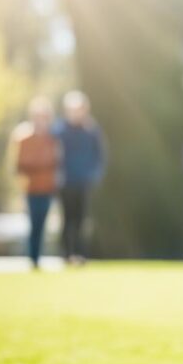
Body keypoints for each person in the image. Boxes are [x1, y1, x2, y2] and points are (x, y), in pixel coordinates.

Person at [54, 90, 106, 266]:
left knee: (81, 221)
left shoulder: (91, 130)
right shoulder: (60, 130)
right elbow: (53, 153)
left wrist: (94, 174)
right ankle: (66, 255)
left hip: (83, 182)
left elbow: (100, 155)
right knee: (67, 220)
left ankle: (81, 254)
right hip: (65, 181)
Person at [12, 96, 61, 270]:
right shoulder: (24, 137)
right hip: (31, 188)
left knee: (42, 223)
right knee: (33, 223)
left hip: (47, 188)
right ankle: (33, 258)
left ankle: (38, 256)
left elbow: (57, 162)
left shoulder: (52, 138)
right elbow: (20, 165)